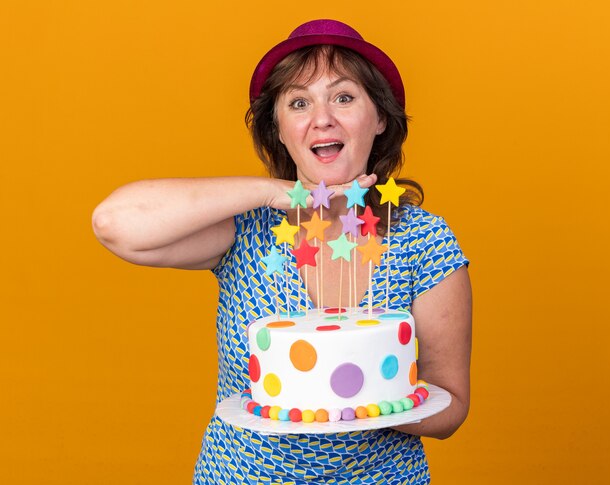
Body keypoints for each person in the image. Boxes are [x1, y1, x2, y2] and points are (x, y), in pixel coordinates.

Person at [93, 19, 472, 484]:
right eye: (298, 102)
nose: (322, 117)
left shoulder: (423, 241)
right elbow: (114, 223)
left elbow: (450, 406)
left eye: (344, 97)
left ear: (379, 119)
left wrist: (353, 395)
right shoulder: (248, 229)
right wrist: (276, 193)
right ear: (279, 129)